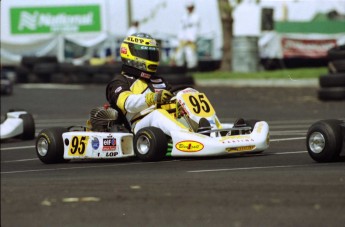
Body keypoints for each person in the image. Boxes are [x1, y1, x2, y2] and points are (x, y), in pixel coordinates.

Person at [106, 33, 190, 137]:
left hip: (166, 120)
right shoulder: (120, 81)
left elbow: (173, 96)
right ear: (130, 54)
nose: (151, 58)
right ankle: (187, 137)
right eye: (146, 54)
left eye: (153, 54)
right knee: (157, 114)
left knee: (189, 97)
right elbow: (128, 104)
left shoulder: (158, 80)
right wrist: (152, 98)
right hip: (138, 125)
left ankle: (210, 131)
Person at [173, 2, 200, 70]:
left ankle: (192, 68)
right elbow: (181, 28)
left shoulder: (196, 17)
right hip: (182, 38)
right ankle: (179, 68)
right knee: (179, 54)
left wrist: (192, 38)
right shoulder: (184, 16)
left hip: (191, 39)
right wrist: (180, 37)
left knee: (190, 53)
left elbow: (196, 29)